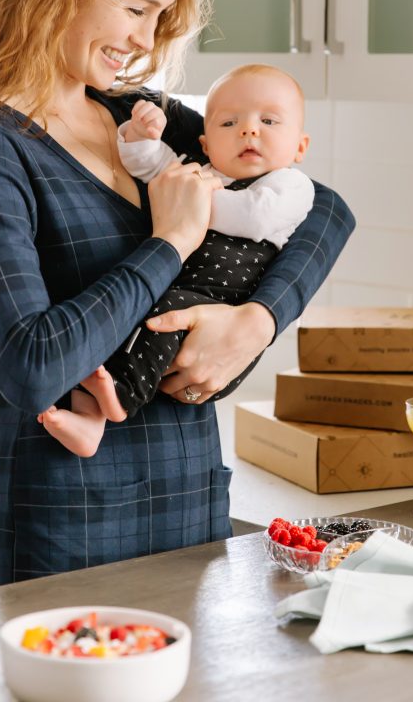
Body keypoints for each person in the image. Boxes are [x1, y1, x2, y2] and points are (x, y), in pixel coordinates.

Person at [0, 0, 355, 588]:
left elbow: (322, 207)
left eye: (159, 16)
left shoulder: (139, 114)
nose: (146, 39)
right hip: (67, 536)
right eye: (135, 8)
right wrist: (171, 244)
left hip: (191, 511)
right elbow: (30, 366)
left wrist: (256, 321)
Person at [39, 63, 316, 457]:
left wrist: (189, 199)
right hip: (177, 287)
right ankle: (89, 419)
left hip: (218, 304)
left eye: (269, 121)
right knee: (120, 313)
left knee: (161, 318)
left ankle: (120, 398)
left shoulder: (290, 184)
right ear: (205, 145)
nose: (249, 130)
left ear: (300, 146)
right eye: (228, 123)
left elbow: (255, 216)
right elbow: (152, 167)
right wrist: (138, 136)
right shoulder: (202, 172)